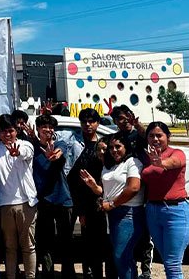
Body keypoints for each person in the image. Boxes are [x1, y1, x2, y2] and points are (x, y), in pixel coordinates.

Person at [80, 132, 145, 279]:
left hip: (128, 213)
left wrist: (112, 204)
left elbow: (133, 188)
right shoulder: (110, 165)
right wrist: (93, 186)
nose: (114, 150)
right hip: (112, 214)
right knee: (121, 257)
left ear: (126, 147)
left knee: (121, 256)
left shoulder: (133, 162)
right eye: (111, 147)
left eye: (118, 146)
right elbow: (105, 191)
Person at [66, 108, 114, 279]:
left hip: (104, 201)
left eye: (92, 121)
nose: (88, 124)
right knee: (88, 244)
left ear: (98, 123)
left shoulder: (105, 144)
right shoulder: (73, 143)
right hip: (81, 202)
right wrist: (80, 210)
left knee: (106, 244)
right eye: (84, 121)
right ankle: (89, 273)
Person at [141, 122, 189, 279]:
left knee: (172, 264)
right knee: (166, 261)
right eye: (151, 136)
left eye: (159, 135)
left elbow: (175, 162)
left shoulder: (176, 153)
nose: (155, 139)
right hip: (153, 211)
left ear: (168, 137)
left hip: (176, 212)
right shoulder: (146, 156)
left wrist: (161, 163)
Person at [0, 115, 37, 279]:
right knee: (10, 247)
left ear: (16, 131)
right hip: (4, 204)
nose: (7, 135)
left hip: (26, 203)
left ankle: (30, 276)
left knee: (28, 246)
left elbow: (26, 153)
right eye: (3, 131)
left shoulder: (26, 145)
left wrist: (17, 152)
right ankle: (11, 276)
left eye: (10, 131)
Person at [111, 105, 153, 279]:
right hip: (125, 191)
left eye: (125, 117)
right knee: (126, 240)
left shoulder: (138, 134)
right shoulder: (117, 138)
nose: (123, 121)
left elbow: (149, 139)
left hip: (144, 187)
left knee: (144, 235)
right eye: (119, 119)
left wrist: (139, 125)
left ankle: (146, 271)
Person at [32, 114, 73, 279]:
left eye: (50, 127)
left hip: (63, 199)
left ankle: (68, 273)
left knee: (66, 241)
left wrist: (54, 155)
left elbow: (59, 152)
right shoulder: (32, 147)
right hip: (43, 201)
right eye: (44, 127)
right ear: (38, 129)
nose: (47, 130)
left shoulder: (59, 143)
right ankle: (48, 273)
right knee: (45, 241)